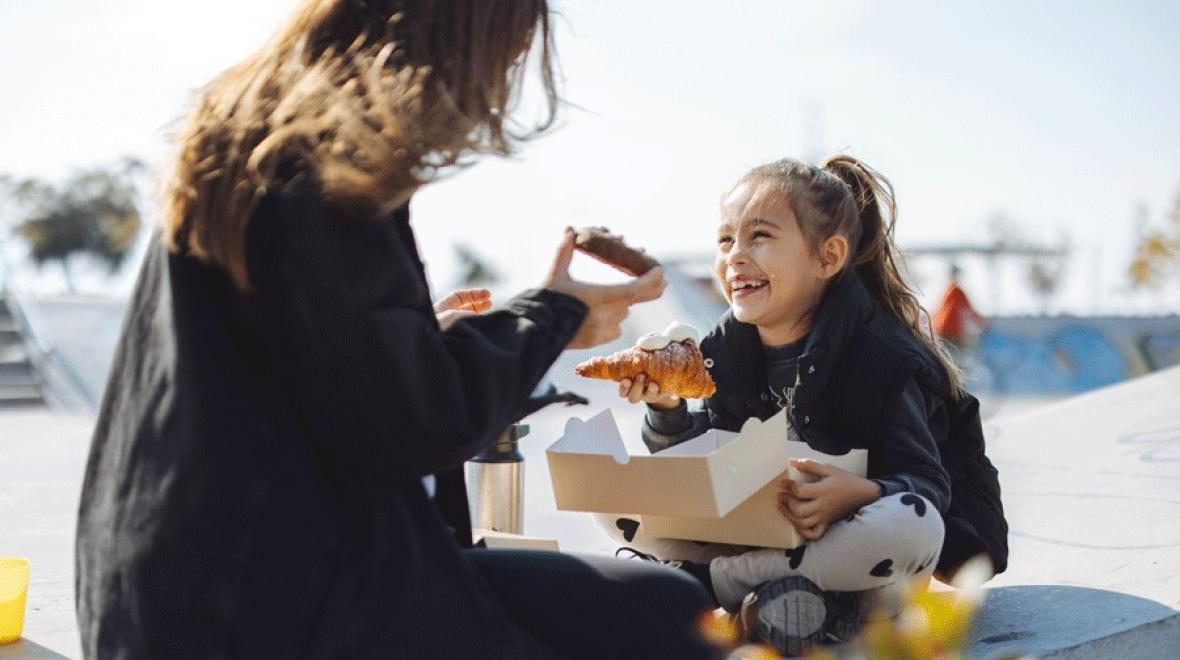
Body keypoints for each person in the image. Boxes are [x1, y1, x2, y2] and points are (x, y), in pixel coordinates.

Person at [74, 1, 720, 658]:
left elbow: (321, 368)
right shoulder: (325, 159)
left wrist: (466, 333)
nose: (500, 85)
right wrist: (553, 314)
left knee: (664, 607)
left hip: (173, 580)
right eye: (509, 53)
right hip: (268, 600)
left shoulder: (256, 129)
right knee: (673, 631)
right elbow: (419, 422)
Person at [606, 155, 1008, 655]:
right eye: (726, 240)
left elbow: (928, 486)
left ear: (828, 257)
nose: (735, 256)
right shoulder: (721, 355)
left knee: (912, 519)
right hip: (764, 540)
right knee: (619, 504)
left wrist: (861, 493)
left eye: (760, 237)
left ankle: (701, 589)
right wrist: (666, 411)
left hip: (861, 559)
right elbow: (704, 470)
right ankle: (776, 607)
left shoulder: (882, 358)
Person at [932, 263, 987, 358]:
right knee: (959, 357)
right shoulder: (957, 291)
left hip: (942, 331)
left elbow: (938, 312)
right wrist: (983, 325)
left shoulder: (947, 290)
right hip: (952, 332)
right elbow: (970, 311)